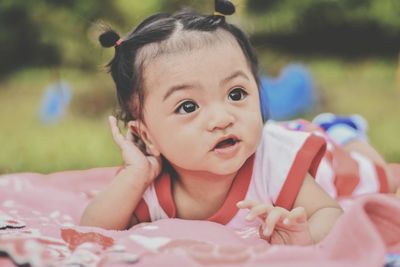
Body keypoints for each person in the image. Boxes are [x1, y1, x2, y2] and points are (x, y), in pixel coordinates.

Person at [80, 1, 343, 246]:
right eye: (188, 106)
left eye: (236, 94)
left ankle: (344, 130)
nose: (222, 119)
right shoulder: (146, 183)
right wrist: (134, 175)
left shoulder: (273, 162)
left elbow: (329, 212)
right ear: (147, 137)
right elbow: (93, 231)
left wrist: (307, 237)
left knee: (375, 174)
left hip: (333, 158)